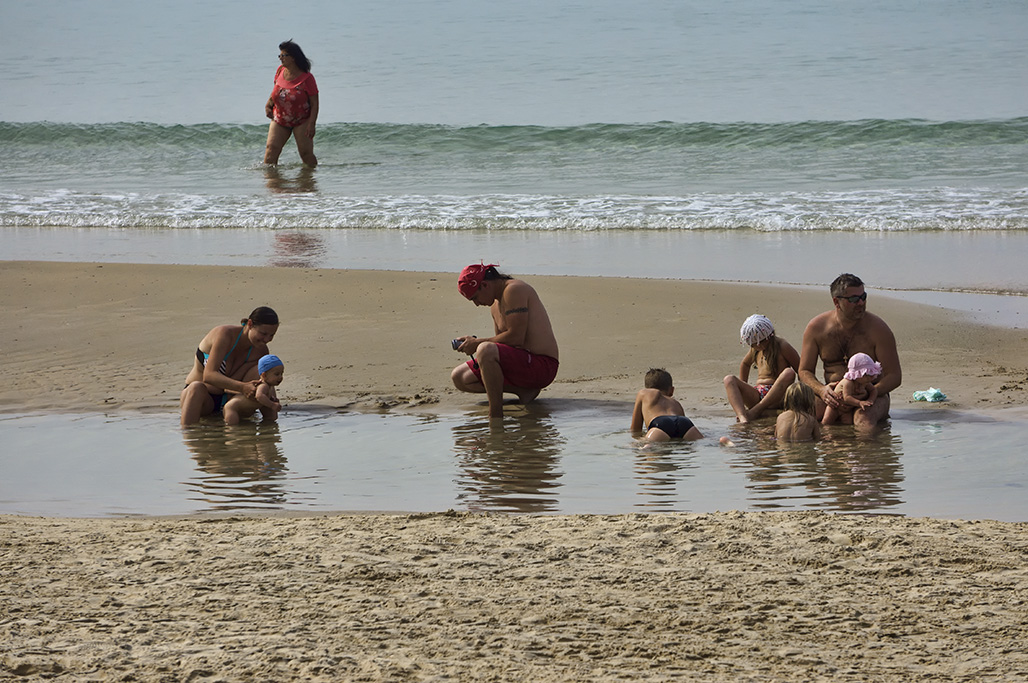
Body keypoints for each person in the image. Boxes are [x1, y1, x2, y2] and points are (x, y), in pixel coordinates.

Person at [451, 264, 560, 418]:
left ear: (484, 285)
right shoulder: (495, 305)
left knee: (485, 350)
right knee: (459, 376)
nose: (476, 304)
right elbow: (504, 344)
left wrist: (477, 344)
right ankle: (523, 391)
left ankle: (495, 415)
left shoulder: (514, 289)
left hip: (543, 366)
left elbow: (517, 337)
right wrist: (475, 344)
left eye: (475, 297)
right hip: (523, 363)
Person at [799, 273, 901, 431]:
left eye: (863, 297)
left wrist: (869, 392)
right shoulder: (817, 328)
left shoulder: (878, 329)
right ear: (836, 302)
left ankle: (870, 454)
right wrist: (822, 390)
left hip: (871, 394)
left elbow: (894, 376)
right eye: (854, 299)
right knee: (802, 419)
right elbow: (804, 371)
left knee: (863, 421)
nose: (861, 303)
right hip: (834, 395)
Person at [180, 307, 279, 426]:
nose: (267, 339)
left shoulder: (261, 350)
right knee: (196, 387)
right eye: (263, 333)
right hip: (203, 399)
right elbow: (209, 375)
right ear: (250, 324)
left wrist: (269, 398)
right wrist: (243, 387)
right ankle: (188, 434)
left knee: (266, 376)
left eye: (271, 335)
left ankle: (270, 426)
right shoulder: (225, 335)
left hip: (231, 400)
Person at [723, 314, 800, 423]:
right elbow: (745, 364)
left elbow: (801, 369)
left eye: (761, 342)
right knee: (729, 379)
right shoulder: (755, 349)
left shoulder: (782, 346)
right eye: (754, 345)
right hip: (758, 394)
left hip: (778, 395)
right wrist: (743, 386)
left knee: (789, 373)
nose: (758, 347)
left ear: (769, 336)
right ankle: (743, 417)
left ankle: (756, 410)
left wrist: (802, 396)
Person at [264, 40, 319, 167]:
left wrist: (312, 124)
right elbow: (276, 90)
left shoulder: (307, 78)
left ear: (293, 58)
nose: (280, 59)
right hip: (279, 118)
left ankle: (311, 179)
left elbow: (315, 103)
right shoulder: (280, 71)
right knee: (271, 150)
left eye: (283, 56)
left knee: (306, 154)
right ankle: (272, 183)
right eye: (280, 56)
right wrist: (268, 104)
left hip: (302, 120)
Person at [630, 368, 703, 441]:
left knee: (643, 447)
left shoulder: (644, 393)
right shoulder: (676, 402)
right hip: (684, 423)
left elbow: (635, 429)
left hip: (660, 423)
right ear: (672, 391)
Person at [822, 353, 881, 426]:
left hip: (847, 410)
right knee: (826, 423)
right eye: (866, 375)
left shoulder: (865, 382)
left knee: (848, 427)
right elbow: (847, 397)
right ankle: (827, 436)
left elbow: (873, 390)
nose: (870, 378)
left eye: (871, 374)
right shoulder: (848, 382)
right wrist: (859, 403)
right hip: (834, 407)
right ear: (857, 375)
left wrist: (870, 400)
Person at [224, 354, 285, 425]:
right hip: (232, 408)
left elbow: (264, 396)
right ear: (264, 375)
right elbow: (259, 396)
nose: (280, 377)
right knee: (232, 428)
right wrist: (272, 405)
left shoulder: (269, 386)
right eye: (277, 374)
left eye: (282, 373)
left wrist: (271, 399)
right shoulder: (263, 385)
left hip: (238, 409)